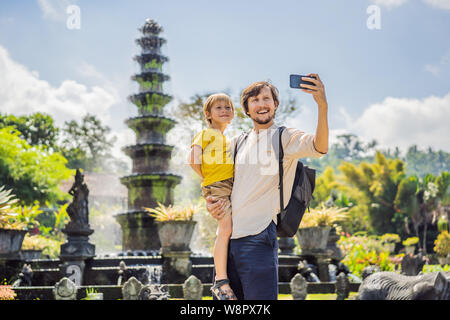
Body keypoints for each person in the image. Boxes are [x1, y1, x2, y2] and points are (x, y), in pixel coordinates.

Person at [206, 74, 329, 300]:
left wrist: (322, 105)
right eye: (254, 100)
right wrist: (212, 202)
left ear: (275, 104)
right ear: (246, 109)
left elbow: (320, 147)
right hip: (227, 242)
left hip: (259, 237)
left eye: (266, 99)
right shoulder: (236, 143)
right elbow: (218, 181)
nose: (261, 104)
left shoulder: (285, 137)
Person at [188, 93, 237, 300]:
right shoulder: (206, 133)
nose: (224, 111)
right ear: (208, 114)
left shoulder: (225, 138)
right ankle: (220, 280)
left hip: (227, 186)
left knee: (230, 229)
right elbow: (192, 159)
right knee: (225, 230)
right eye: (219, 108)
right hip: (217, 186)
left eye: (228, 107)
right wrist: (208, 178)